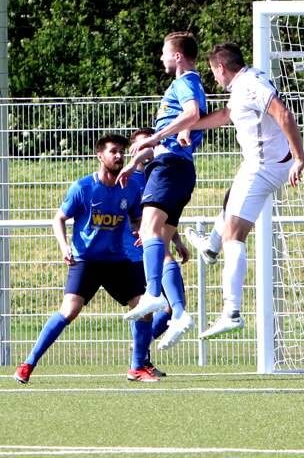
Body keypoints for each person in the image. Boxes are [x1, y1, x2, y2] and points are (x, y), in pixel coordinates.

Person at [178, 43, 304, 339]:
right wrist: (188, 127)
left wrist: (299, 158)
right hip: (257, 163)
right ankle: (210, 248)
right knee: (230, 200)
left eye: (213, 73)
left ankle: (231, 312)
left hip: (264, 167)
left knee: (234, 235)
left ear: (221, 68)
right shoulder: (242, 84)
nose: (214, 78)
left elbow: (283, 114)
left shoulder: (250, 84)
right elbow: (226, 115)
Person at [13, 135, 154, 383]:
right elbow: (58, 218)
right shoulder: (83, 188)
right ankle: (27, 364)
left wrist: (140, 230)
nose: (119, 156)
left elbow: (136, 218)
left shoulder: (130, 187)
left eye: (122, 151)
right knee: (70, 310)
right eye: (114, 151)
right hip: (86, 261)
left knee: (144, 308)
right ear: (100, 156)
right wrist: (64, 246)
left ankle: (137, 367)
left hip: (117, 261)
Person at [120, 31, 207, 352]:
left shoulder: (185, 82)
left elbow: (190, 115)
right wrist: (136, 162)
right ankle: (180, 313)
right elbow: (185, 125)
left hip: (170, 168)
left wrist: (154, 138)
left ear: (178, 57)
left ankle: (154, 294)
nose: (161, 58)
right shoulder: (193, 85)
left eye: (164, 53)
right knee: (164, 244)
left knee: (148, 229)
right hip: (177, 168)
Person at [127, 128, 190, 376]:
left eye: (149, 145)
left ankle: (141, 354)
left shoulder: (160, 172)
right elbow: (129, 213)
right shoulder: (133, 178)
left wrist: (176, 240)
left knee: (173, 306)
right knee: (157, 305)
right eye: (140, 147)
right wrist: (135, 229)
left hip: (153, 244)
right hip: (135, 254)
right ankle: (138, 360)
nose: (146, 151)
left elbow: (161, 215)